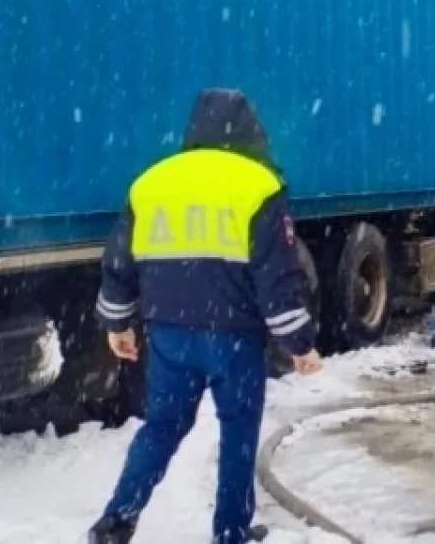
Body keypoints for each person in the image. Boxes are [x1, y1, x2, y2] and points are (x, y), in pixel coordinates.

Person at [88, 89, 323, 544]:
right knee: (238, 434)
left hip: (169, 335)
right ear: (251, 130)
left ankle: (115, 521)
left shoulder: (150, 182)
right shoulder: (259, 184)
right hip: (234, 339)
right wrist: (300, 343)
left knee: (161, 428)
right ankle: (230, 534)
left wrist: (118, 323)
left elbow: (118, 261)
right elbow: (278, 276)